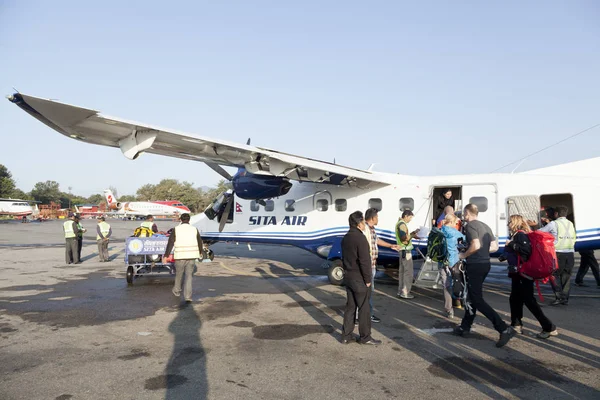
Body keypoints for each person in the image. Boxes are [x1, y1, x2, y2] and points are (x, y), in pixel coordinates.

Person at [454, 204, 516, 348]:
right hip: (485, 264)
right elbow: (494, 247)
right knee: (471, 295)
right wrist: (481, 252)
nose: (464, 217)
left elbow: (475, 245)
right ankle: (465, 326)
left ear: (467, 213)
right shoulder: (485, 226)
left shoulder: (470, 226)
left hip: (475, 265)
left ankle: (503, 328)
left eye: (464, 214)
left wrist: (463, 254)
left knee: (477, 299)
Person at [504, 215, 558, 339]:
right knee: (515, 298)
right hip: (519, 273)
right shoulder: (522, 234)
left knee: (528, 300)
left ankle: (548, 327)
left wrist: (511, 244)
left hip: (523, 273)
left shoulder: (520, 235)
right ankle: (516, 324)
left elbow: (525, 251)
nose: (508, 224)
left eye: (510, 222)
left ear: (515, 223)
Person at [341, 211, 381, 345]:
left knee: (350, 307)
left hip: (348, 277)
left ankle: (346, 335)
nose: (364, 224)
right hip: (359, 279)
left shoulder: (346, 237)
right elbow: (365, 261)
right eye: (363, 222)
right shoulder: (361, 238)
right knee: (364, 308)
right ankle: (365, 337)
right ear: (358, 224)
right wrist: (368, 280)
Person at [362, 208, 400, 323]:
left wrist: (390, 246)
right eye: (377, 217)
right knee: (367, 292)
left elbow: (376, 240)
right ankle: (367, 315)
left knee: (368, 292)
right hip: (368, 266)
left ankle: (366, 314)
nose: (378, 219)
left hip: (372, 265)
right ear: (373, 218)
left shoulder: (372, 229)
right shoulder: (365, 229)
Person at [539, 206, 576, 305]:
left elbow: (540, 232)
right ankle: (565, 298)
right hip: (570, 253)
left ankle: (559, 296)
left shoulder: (554, 223)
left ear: (556, 214)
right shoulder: (570, 223)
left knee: (553, 275)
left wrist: (535, 225)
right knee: (566, 277)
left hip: (559, 253)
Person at [163, 213, 203, 303]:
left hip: (180, 256)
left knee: (179, 274)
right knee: (189, 277)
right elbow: (200, 242)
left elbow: (170, 243)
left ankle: (177, 290)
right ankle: (188, 297)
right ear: (189, 220)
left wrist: (166, 256)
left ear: (181, 219)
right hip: (192, 257)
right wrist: (200, 252)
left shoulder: (176, 229)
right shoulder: (194, 229)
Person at [439, 214, 465, 318]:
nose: (456, 224)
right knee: (458, 282)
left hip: (442, 262)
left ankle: (449, 310)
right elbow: (466, 240)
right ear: (451, 222)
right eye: (455, 222)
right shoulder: (454, 232)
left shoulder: (439, 231)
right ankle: (459, 302)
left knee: (446, 285)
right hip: (454, 261)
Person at [395, 210, 419, 299]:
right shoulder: (402, 225)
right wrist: (413, 234)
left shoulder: (399, 223)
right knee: (408, 272)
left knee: (402, 272)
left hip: (401, 250)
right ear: (406, 216)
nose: (410, 220)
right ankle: (405, 292)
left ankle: (400, 291)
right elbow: (404, 238)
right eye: (410, 218)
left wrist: (412, 235)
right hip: (406, 251)